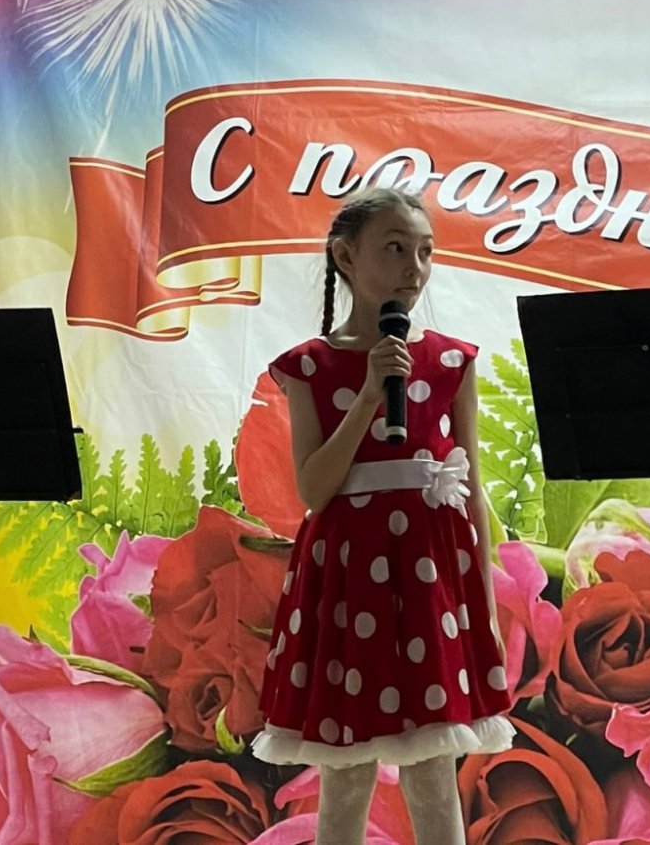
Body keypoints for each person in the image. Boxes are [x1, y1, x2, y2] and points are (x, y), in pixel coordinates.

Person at [251, 186, 515, 845]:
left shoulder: (452, 361)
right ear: (345, 256)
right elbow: (315, 489)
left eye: (425, 252)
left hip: (430, 580)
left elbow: (472, 487)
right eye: (395, 249)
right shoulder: (309, 367)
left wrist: (483, 600)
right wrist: (369, 395)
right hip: (348, 580)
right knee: (346, 772)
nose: (414, 268)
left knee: (433, 769)